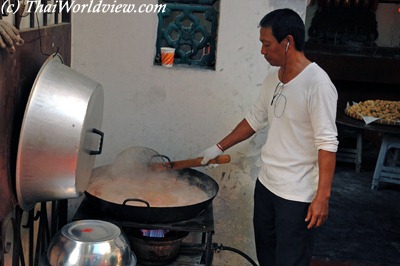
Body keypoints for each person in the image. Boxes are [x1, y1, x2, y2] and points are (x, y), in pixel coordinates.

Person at [199, 8, 338, 266]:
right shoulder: (272, 78)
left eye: (267, 44)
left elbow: (327, 144)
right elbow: (254, 119)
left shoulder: (317, 84)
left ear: (288, 42)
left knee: (289, 261)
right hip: (266, 187)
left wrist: (322, 197)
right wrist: (217, 147)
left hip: (296, 197)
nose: (262, 51)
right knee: (267, 258)